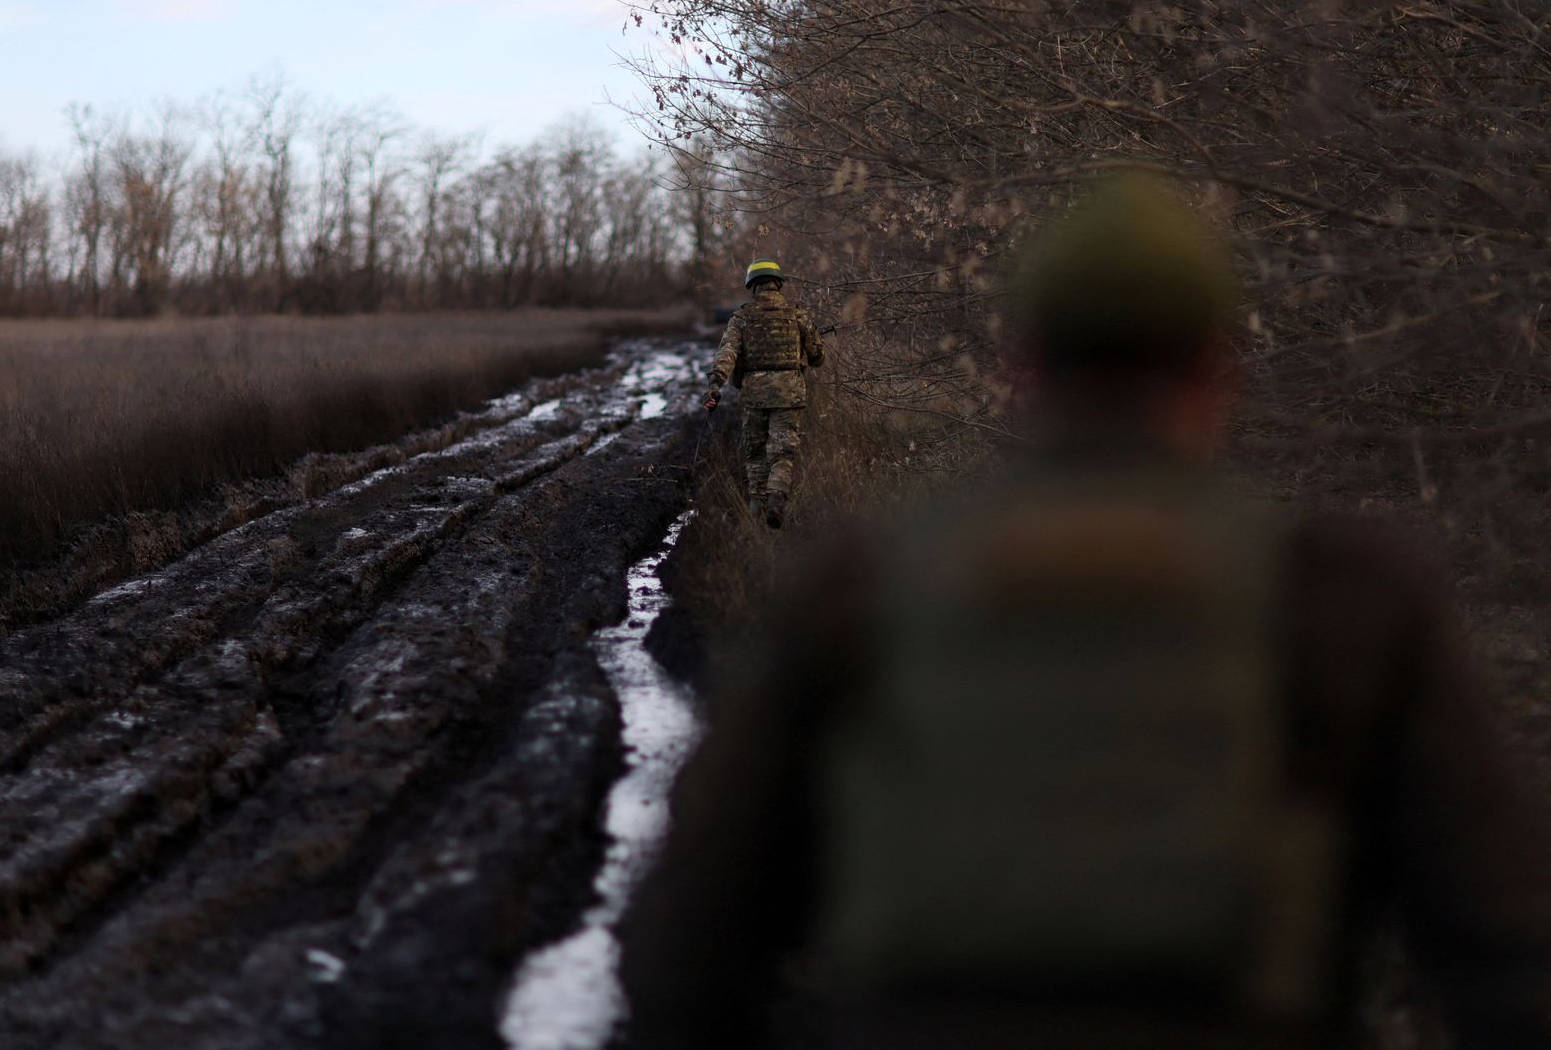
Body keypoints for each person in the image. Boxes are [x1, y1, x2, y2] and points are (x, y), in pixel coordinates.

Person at [621, 178, 1551, 1048]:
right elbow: (1507, 950)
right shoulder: (1346, 591)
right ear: (1217, 362)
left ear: (1019, 362)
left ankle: (769, 484)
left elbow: (686, 945)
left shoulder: (863, 582)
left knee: (762, 458)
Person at [705, 258, 826, 528]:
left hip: (754, 396)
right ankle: (776, 499)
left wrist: (716, 382)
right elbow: (818, 357)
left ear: (752, 286)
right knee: (782, 454)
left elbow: (727, 353)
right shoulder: (797, 313)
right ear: (778, 282)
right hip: (789, 394)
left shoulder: (742, 317)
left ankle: (755, 510)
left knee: (755, 453)